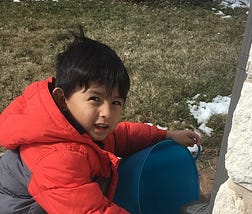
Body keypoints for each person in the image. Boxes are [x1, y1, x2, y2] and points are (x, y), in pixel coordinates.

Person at [0, 28, 200, 214]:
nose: (106, 112)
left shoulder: (80, 126)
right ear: (62, 99)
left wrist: (166, 135)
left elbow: (123, 136)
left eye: (115, 102)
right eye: (95, 99)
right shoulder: (57, 158)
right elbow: (90, 211)